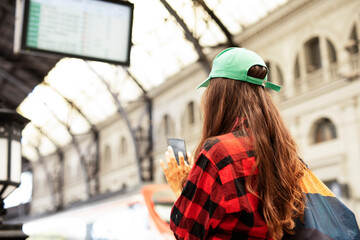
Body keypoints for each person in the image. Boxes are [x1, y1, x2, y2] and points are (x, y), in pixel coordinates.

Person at [160, 47, 360, 240]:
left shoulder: (219, 153)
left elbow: (187, 232)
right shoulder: (283, 152)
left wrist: (180, 187)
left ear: (218, 96)